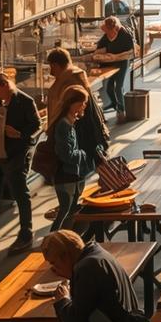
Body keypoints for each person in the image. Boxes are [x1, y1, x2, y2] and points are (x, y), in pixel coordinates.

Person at [43, 230, 161, 322]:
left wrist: (62, 300)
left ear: (66, 256)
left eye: (54, 263)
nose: (53, 270)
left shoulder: (86, 268)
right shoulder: (97, 253)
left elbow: (74, 320)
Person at [0, 70, 41, 250]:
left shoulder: (25, 102)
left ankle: (26, 232)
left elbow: (37, 126)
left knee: (20, 193)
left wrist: (20, 134)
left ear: (5, 85)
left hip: (15, 154)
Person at [49, 85, 93, 234]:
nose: (83, 106)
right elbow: (66, 154)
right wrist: (84, 154)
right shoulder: (64, 125)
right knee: (66, 210)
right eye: (81, 103)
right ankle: (53, 239)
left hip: (72, 175)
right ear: (71, 103)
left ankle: (63, 239)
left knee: (70, 210)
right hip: (65, 175)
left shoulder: (70, 122)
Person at [91, 16, 138, 117]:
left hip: (122, 62)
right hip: (110, 63)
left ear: (114, 29)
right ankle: (114, 103)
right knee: (109, 88)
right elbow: (100, 48)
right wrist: (97, 54)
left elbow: (131, 53)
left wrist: (115, 57)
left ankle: (121, 110)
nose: (108, 33)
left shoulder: (125, 35)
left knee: (118, 87)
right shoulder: (106, 36)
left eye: (109, 31)